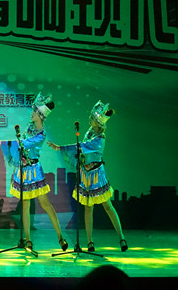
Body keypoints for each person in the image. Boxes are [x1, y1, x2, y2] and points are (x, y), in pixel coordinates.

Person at [0, 93, 68, 252]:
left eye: (34, 112)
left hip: (34, 170)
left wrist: (3, 142)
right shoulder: (30, 127)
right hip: (23, 169)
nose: (31, 114)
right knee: (25, 204)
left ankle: (60, 236)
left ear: (40, 116)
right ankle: (27, 239)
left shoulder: (41, 134)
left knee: (45, 203)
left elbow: (24, 143)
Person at [48, 99, 127, 252]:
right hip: (86, 174)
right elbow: (82, 149)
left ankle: (121, 237)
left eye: (92, 118)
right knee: (88, 208)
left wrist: (60, 148)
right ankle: (90, 242)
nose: (89, 119)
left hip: (97, 175)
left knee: (108, 206)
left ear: (98, 122)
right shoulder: (90, 132)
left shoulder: (99, 139)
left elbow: (83, 146)